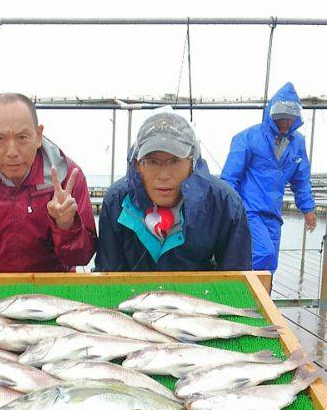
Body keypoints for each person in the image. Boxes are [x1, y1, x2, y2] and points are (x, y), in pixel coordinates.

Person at [0, 93, 96, 273]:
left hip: (53, 286)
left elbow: (82, 257)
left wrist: (66, 225)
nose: (12, 152)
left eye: (22, 137)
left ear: (38, 135)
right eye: (0, 139)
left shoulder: (66, 177)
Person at [95, 108, 252, 272]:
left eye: (174, 161)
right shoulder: (116, 201)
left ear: (192, 163)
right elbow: (109, 274)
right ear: (137, 165)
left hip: (197, 289)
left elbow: (237, 276)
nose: (164, 176)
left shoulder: (224, 203)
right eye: (152, 162)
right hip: (134, 290)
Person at [221, 82, 316, 274]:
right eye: (282, 118)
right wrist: (226, 208)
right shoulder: (247, 138)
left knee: (270, 264)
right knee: (263, 252)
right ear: (272, 116)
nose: (286, 123)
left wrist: (308, 209)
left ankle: (263, 293)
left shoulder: (297, 143)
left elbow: (301, 180)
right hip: (249, 209)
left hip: (273, 213)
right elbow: (230, 177)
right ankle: (240, 285)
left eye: (290, 119)